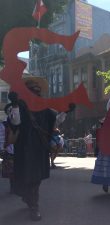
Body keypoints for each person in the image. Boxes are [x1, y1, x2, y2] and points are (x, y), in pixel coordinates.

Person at [7, 77, 74, 221]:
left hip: (39, 148)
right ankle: (31, 202)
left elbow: (55, 121)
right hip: (24, 149)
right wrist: (14, 105)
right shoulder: (20, 105)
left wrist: (66, 112)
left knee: (35, 179)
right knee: (26, 178)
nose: (36, 93)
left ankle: (33, 205)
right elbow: (15, 122)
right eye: (32, 90)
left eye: (37, 91)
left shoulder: (44, 108)